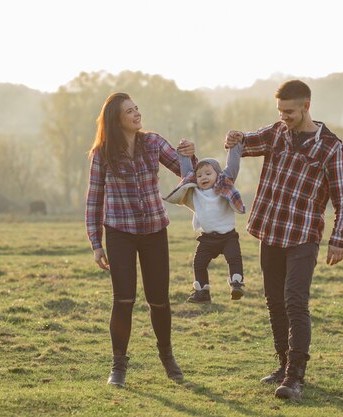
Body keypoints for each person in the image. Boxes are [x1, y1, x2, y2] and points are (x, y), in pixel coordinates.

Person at [224, 80, 343, 400]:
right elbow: (248, 142)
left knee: (295, 302)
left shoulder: (330, 147)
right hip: (270, 231)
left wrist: (338, 240)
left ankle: (295, 377)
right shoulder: (277, 132)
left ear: (307, 106)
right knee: (274, 303)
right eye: (280, 111)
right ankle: (283, 366)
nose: (284, 117)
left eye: (290, 112)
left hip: (302, 235)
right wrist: (235, 138)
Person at [85, 92, 195, 387]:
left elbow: (187, 173)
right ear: (116, 120)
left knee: (159, 300)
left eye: (137, 109)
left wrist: (189, 155)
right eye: (129, 112)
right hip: (119, 232)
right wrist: (96, 243)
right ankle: (118, 365)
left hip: (154, 231)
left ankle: (167, 357)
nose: (137, 114)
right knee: (123, 299)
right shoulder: (102, 153)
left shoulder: (153, 142)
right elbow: (94, 200)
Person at [163, 142, 246, 304]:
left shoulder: (224, 185)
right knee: (199, 263)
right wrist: (183, 154)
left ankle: (236, 284)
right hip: (207, 238)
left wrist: (234, 146)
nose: (204, 177)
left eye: (208, 173)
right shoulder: (194, 190)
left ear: (218, 175)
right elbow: (186, 172)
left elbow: (233, 166)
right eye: (200, 175)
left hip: (228, 237)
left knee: (234, 258)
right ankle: (202, 292)